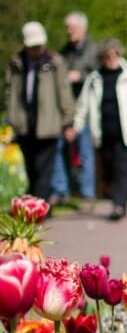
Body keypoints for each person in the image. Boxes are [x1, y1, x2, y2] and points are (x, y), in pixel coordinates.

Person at [73, 39, 127, 220]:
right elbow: (83, 106)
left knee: (121, 167)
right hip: (103, 134)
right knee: (109, 170)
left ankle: (119, 206)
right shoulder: (94, 79)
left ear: (120, 55)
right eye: (107, 55)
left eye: (114, 54)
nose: (111, 58)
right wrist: (76, 127)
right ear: (102, 57)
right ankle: (126, 192)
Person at [5, 22, 76, 202]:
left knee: (45, 169)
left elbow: (64, 92)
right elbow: (9, 92)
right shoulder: (16, 63)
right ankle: (33, 204)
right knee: (31, 169)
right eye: (33, 46)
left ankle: (40, 206)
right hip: (24, 124)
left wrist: (68, 122)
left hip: (48, 125)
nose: (36, 50)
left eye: (39, 46)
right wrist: (13, 119)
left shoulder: (55, 62)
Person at [49, 11, 98, 210]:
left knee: (85, 150)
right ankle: (60, 191)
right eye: (67, 28)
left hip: (85, 108)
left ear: (83, 28)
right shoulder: (63, 52)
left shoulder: (93, 51)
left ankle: (88, 194)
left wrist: (81, 75)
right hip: (64, 109)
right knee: (58, 148)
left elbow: (97, 75)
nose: (69, 31)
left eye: (73, 27)